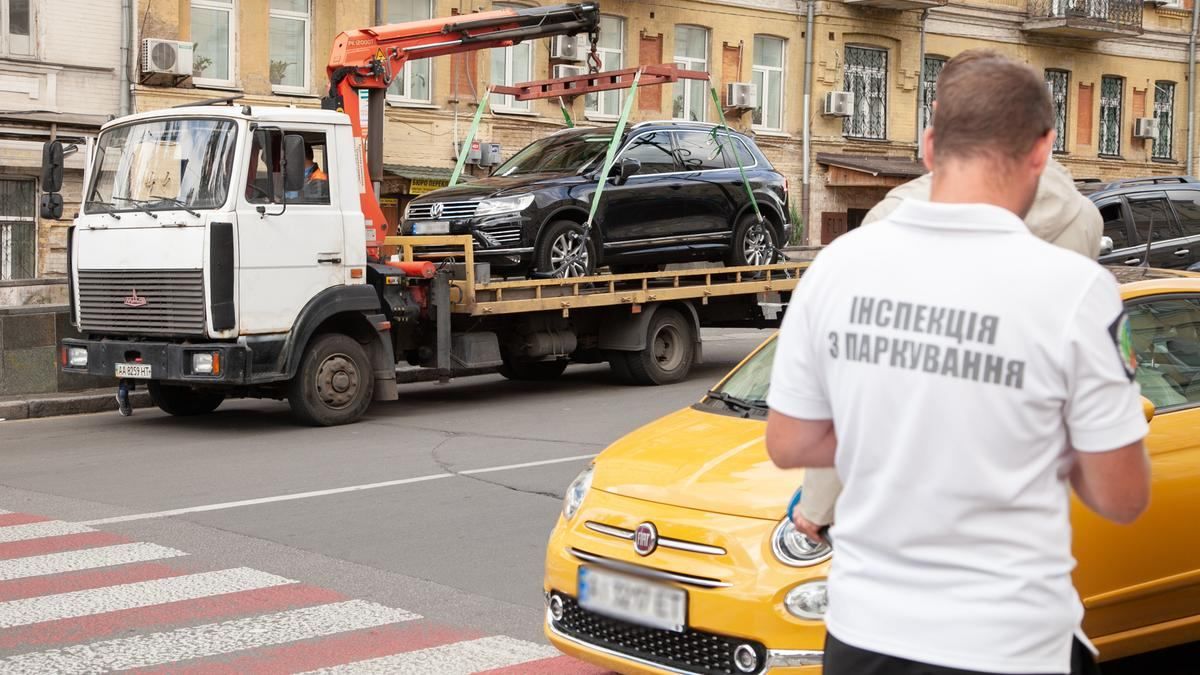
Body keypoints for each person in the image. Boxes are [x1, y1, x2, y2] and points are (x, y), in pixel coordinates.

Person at [765, 51, 1150, 675]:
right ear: (1042, 150)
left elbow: (789, 442)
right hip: (1009, 644)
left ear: (928, 146)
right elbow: (1122, 496)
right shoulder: (1078, 289)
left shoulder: (837, 265)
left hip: (864, 634)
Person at [792, 52, 1104, 541]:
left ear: (939, 121)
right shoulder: (1082, 219)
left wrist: (817, 503)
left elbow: (858, 385)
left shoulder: (893, 220)